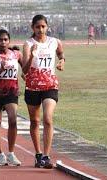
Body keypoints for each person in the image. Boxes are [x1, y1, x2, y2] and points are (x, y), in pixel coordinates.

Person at [22, 14, 65, 169]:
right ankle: (38, 154)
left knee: (47, 119)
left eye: (43, 26)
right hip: (33, 86)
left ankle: (46, 156)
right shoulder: (28, 44)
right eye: (37, 27)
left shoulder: (54, 41)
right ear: (32, 28)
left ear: (47, 26)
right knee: (35, 121)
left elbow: (60, 53)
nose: (40, 29)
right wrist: (31, 55)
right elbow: (25, 70)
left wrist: (62, 61)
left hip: (50, 86)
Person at [0, 29, 25, 166]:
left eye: (6, 39)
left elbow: (26, 68)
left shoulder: (16, 54)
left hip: (11, 92)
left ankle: (11, 153)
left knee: (13, 120)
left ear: (9, 41)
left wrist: (26, 71)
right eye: (0, 40)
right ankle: (0, 154)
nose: (3, 42)